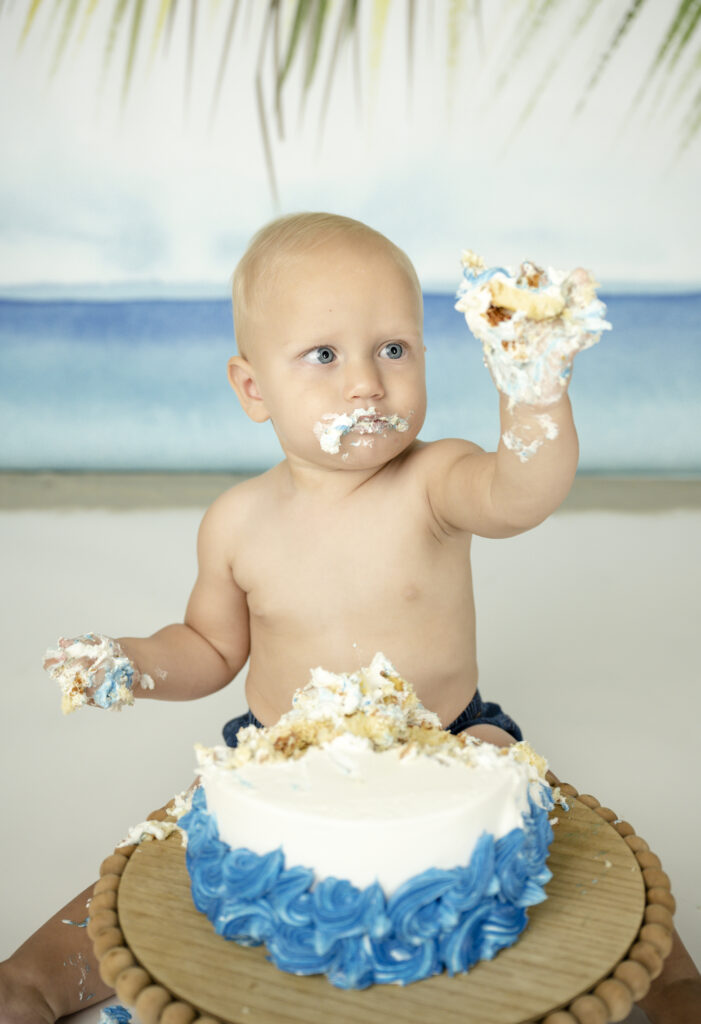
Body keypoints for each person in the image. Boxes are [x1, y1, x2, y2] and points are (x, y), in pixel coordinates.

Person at [1, 213, 698, 1023]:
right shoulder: (238, 521)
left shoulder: (432, 480)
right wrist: (131, 662)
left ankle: (672, 979)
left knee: (563, 846)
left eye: (392, 349)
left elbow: (520, 494)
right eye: (324, 355)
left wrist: (533, 391)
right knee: (176, 854)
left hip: (445, 739)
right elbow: (205, 645)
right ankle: (38, 976)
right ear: (253, 388)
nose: (365, 382)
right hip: (277, 764)